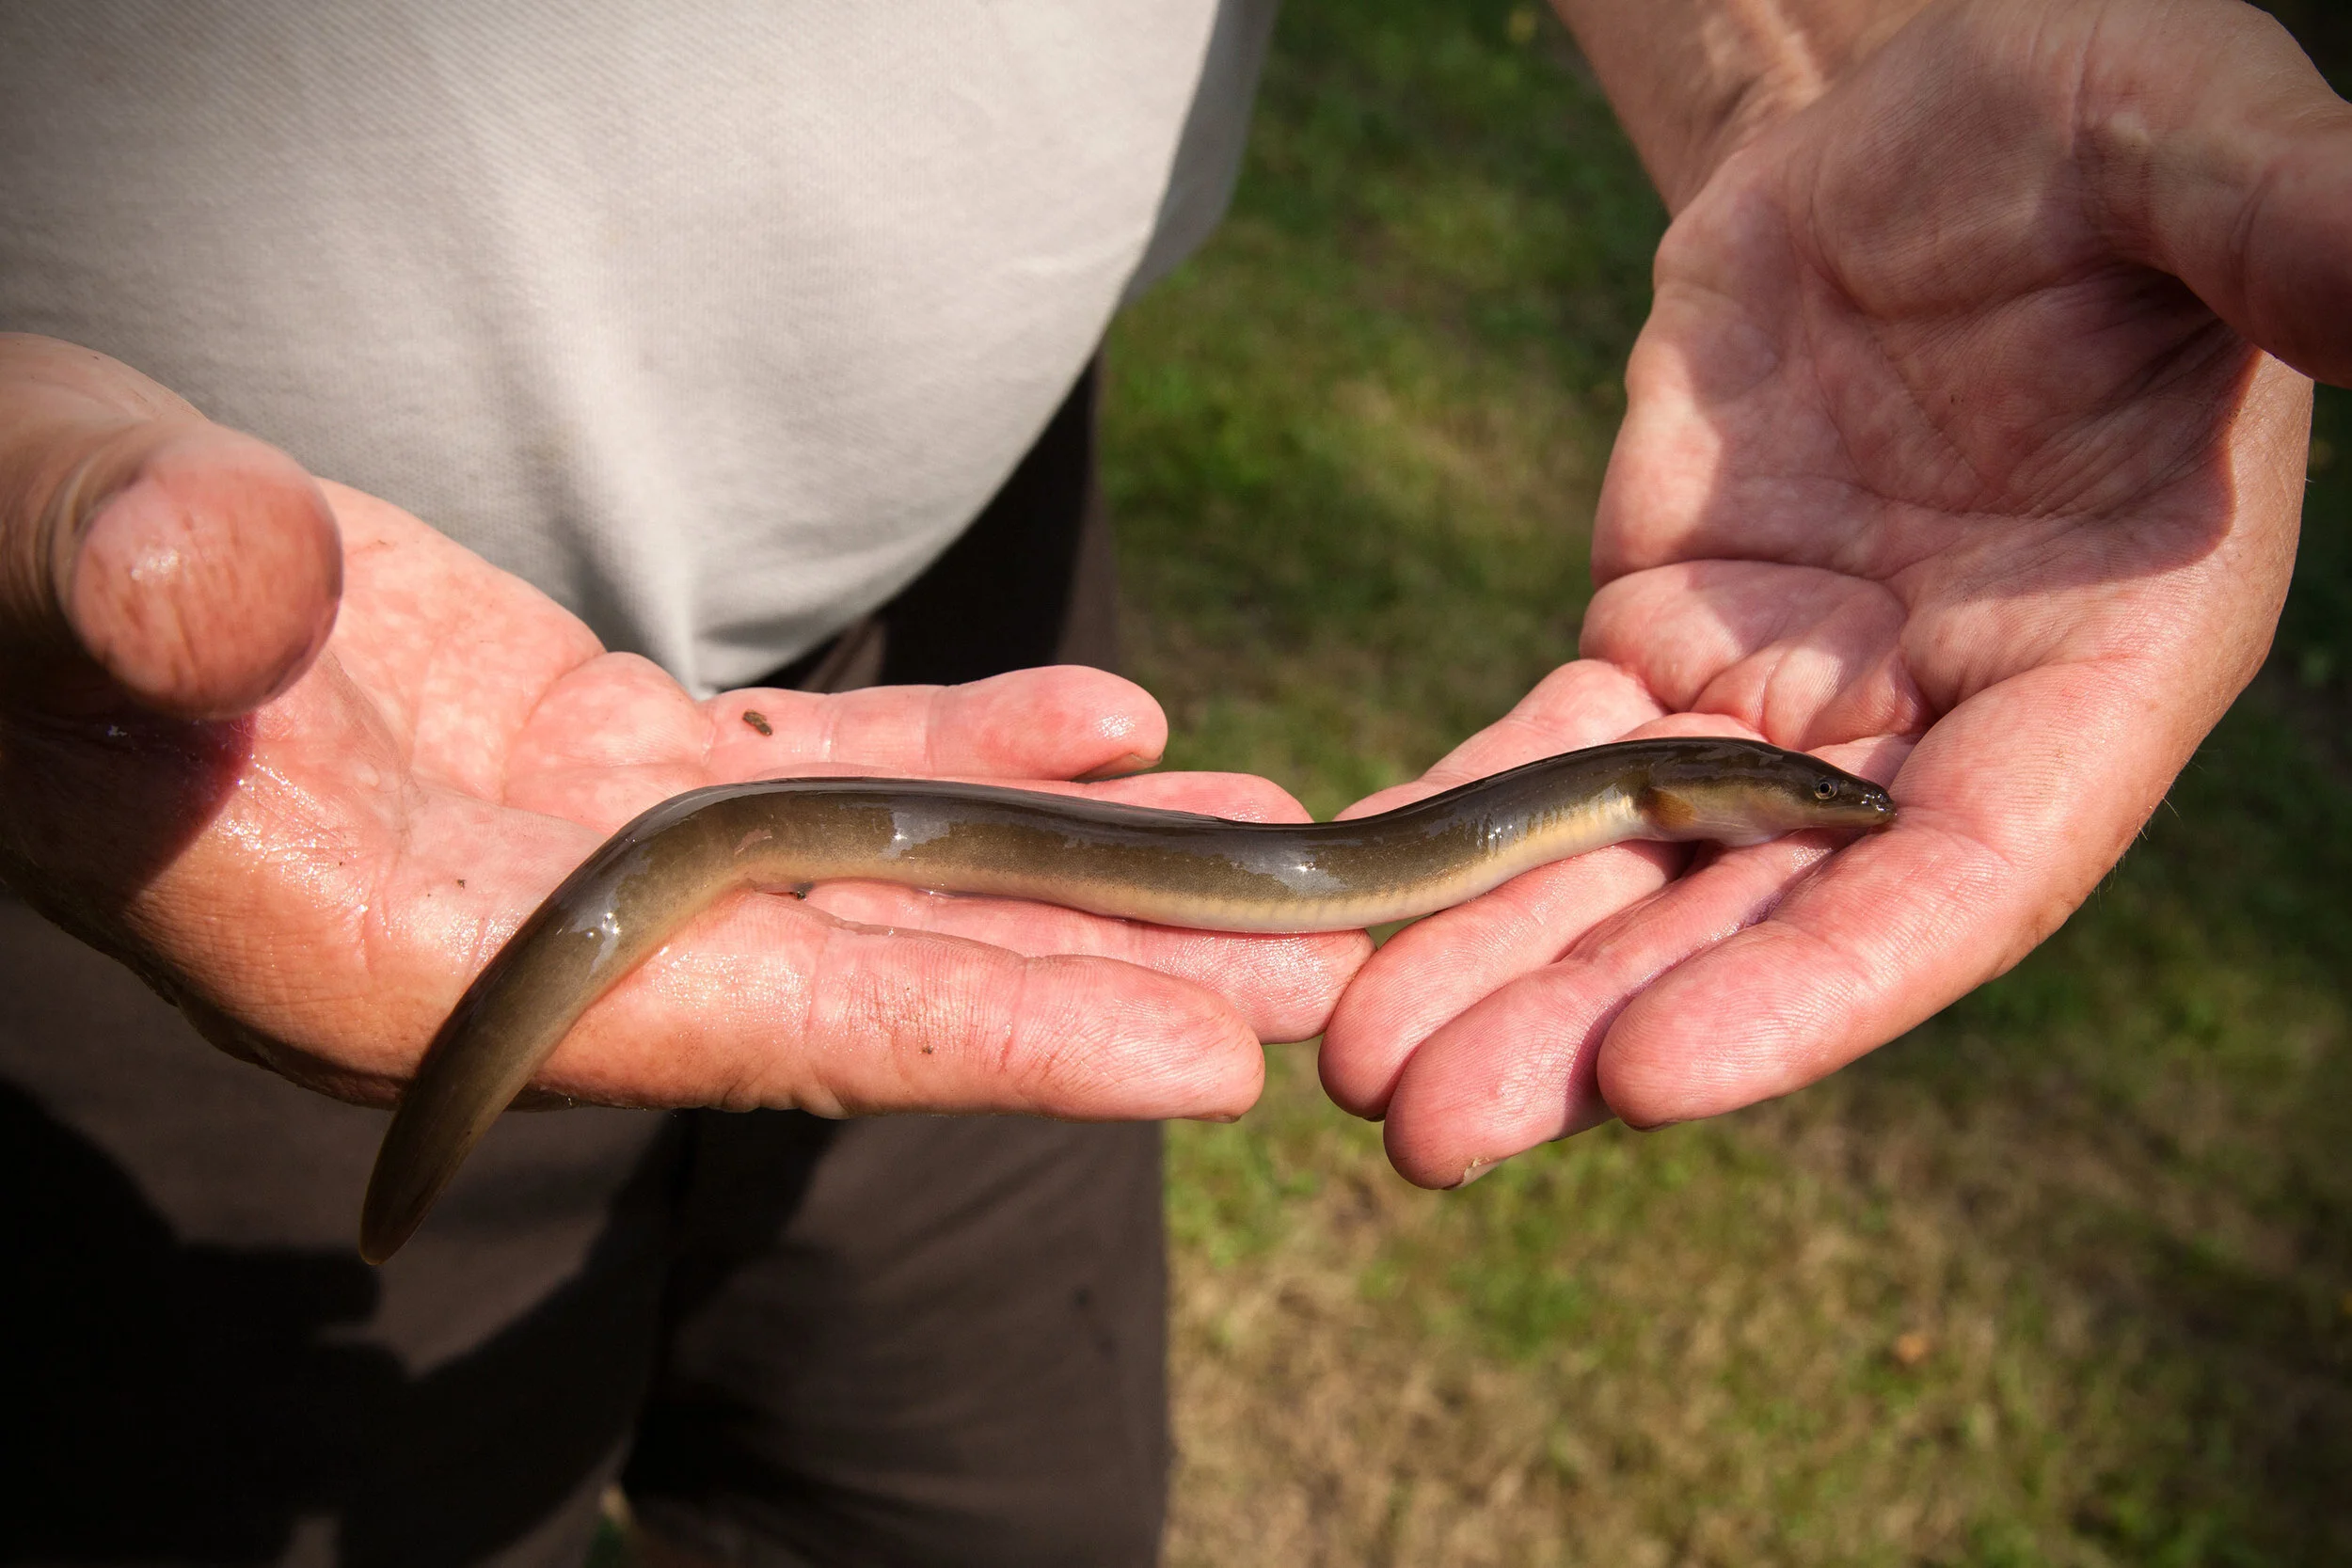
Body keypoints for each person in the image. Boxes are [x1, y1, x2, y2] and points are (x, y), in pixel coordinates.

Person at [0, 0, 2343, 1562]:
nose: (1797, 807)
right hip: (201, 726)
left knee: (985, 1495)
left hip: (957, 611)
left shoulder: (1642, 776)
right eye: (1783, 800)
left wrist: (1830, 71)